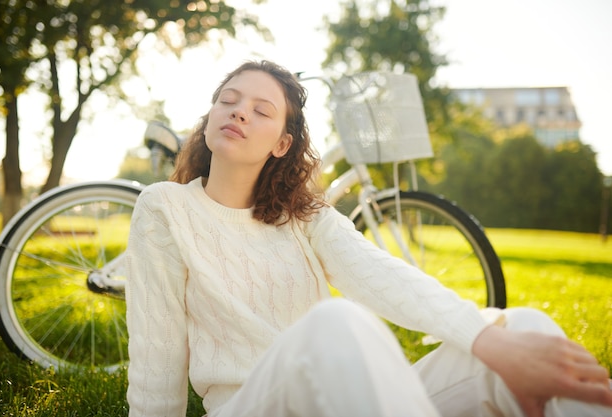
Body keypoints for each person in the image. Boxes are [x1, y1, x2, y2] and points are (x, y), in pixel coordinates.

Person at [125, 60, 612, 417]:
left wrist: (488, 341)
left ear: (281, 145)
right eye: (228, 101)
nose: (239, 113)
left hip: (340, 396)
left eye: (261, 109)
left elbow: (382, 276)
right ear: (209, 118)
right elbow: (157, 359)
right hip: (253, 405)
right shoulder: (165, 208)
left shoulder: (304, 215)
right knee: (335, 324)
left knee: (522, 326)